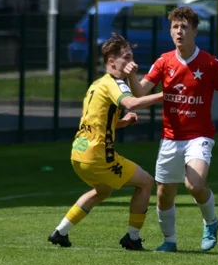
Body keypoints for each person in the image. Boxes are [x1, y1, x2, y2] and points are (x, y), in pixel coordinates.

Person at [126, 6, 218, 252]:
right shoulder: (164, 61)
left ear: (195, 31)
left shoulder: (210, 63)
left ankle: (211, 222)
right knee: (164, 193)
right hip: (170, 138)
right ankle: (170, 241)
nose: (179, 31)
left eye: (184, 27)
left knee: (195, 184)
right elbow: (140, 92)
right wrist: (133, 76)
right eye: (175, 27)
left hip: (199, 136)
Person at [49, 34, 165, 250]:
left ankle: (60, 231)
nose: (132, 62)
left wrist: (121, 122)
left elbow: (97, 122)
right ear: (112, 61)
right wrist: (164, 96)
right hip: (98, 155)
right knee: (146, 183)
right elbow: (132, 102)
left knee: (102, 191)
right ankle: (132, 237)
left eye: (132, 56)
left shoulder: (97, 84)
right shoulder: (114, 83)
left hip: (78, 153)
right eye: (126, 57)